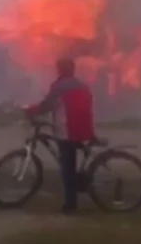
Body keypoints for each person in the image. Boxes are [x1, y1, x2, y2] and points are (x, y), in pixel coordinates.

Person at [25, 58, 95, 214]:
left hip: (66, 130)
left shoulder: (59, 86)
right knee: (71, 161)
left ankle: (70, 204)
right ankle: (76, 190)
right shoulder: (82, 85)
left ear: (60, 70)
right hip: (83, 129)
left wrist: (32, 111)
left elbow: (47, 105)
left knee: (66, 167)